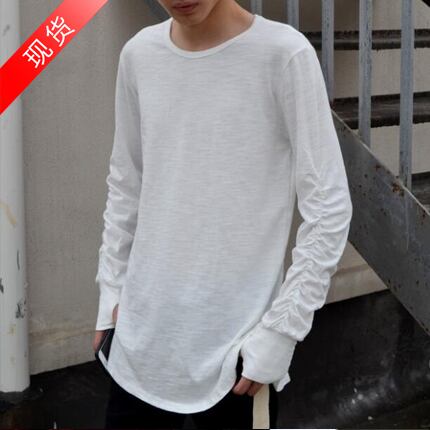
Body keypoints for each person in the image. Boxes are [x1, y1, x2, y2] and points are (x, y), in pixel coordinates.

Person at [92, 0, 353, 428]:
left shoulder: (283, 54)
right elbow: (126, 182)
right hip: (140, 344)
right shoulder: (139, 55)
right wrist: (111, 292)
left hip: (238, 351)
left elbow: (328, 206)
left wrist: (281, 331)